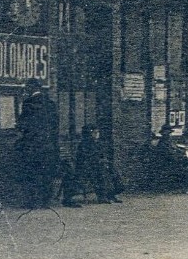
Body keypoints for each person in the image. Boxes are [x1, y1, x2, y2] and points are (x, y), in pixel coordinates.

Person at [15, 78, 74, 208]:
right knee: (46, 174)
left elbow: (23, 124)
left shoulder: (28, 103)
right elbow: (55, 126)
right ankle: (45, 202)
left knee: (32, 173)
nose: (26, 89)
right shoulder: (50, 104)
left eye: (27, 87)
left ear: (31, 87)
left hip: (32, 145)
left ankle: (33, 202)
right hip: (48, 145)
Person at [75, 125, 122, 204]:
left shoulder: (97, 144)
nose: (97, 134)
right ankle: (102, 196)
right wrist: (98, 161)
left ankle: (112, 194)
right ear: (89, 134)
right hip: (85, 168)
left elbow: (101, 155)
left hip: (97, 165)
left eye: (97, 132)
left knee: (112, 170)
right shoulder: (83, 145)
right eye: (95, 132)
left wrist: (104, 160)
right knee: (101, 172)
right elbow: (84, 159)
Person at [153, 124, 188, 191]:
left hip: (172, 158)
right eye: (167, 133)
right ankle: (180, 184)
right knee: (184, 163)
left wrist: (183, 151)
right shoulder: (162, 142)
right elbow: (168, 153)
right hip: (166, 161)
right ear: (164, 133)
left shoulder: (169, 141)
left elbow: (175, 147)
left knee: (187, 161)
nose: (169, 134)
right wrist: (180, 155)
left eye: (170, 133)